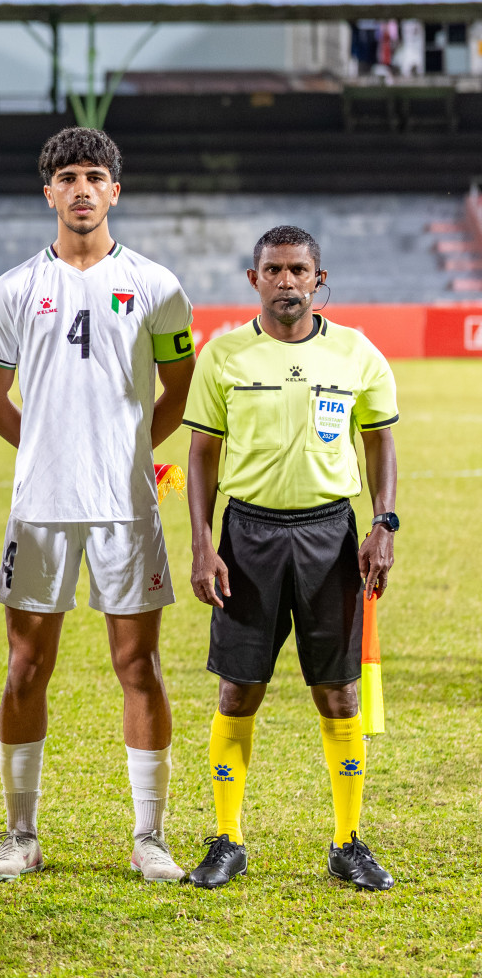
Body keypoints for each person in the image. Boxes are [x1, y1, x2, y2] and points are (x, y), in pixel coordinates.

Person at [0, 127, 196, 883]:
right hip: (40, 506)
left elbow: (180, 388)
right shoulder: (12, 289)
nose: (80, 188)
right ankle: (20, 834)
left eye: (94, 176)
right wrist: (46, 451)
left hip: (126, 508)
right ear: (48, 192)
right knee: (26, 665)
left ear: (114, 192)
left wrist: (132, 452)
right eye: (66, 176)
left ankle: (150, 836)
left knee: (140, 665)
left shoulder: (158, 286)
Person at [182, 225, 398, 892]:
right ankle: (227, 839)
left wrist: (383, 524)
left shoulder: (357, 354)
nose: (285, 281)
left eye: (297, 270)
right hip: (246, 538)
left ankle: (348, 841)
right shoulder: (224, 357)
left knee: (337, 692)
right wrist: (200, 542)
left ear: (318, 278)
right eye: (272, 270)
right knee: (237, 688)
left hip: (331, 536)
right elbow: (200, 458)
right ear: (254, 280)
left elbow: (381, 444)